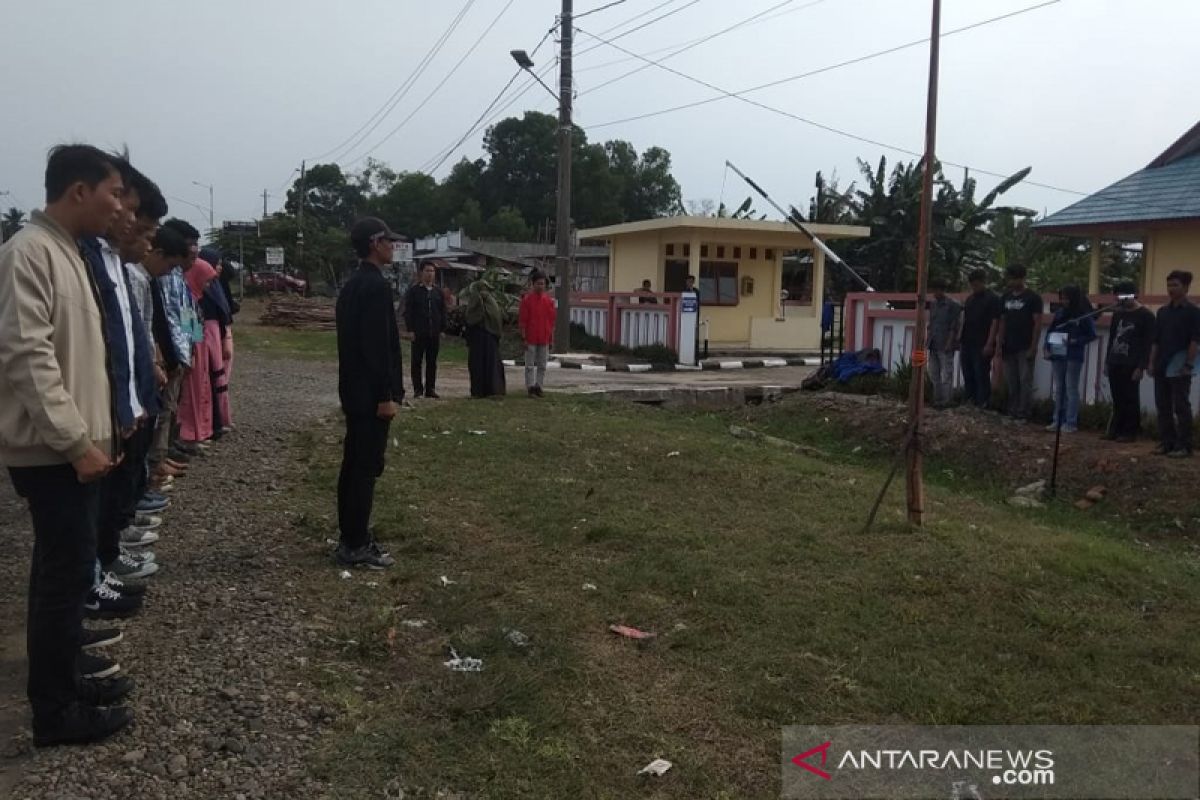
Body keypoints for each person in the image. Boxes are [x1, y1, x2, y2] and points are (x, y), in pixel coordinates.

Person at [0, 144, 133, 746]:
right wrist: (77, 441)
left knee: (66, 570)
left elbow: (84, 356)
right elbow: (28, 358)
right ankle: (55, 713)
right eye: (111, 193)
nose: (117, 207)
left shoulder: (70, 254)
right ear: (79, 191)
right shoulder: (28, 253)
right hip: (55, 453)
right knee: (64, 575)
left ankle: (67, 680)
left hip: (77, 448)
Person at [334, 217, 404, 569]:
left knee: (353, 465)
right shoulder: (374, 287)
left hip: (353, 391)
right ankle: (355, 543)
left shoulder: (351, 286)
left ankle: (350, 534)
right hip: (370, 396)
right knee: (365, 467)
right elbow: (377, 348)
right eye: (389, 241)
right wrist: (385, 395)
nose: (393, 246)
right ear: (375, 243)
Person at [1149, 270, 1200, 458]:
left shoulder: (1193, 312)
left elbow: (1195, 341)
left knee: (1181, 406)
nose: (1171, 289)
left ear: (1186, 288)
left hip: (1179, 367)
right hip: (1162, 364)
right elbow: (1156, 340)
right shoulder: (1162, 312)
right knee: (1163, 406)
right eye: (1169, 285)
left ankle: (1184, 445)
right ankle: (1166, 442)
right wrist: (1151, 362)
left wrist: (1188, 364)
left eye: (1175, 285)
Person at [1104, 283, 1155, 442]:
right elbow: (1112, 338)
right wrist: (1107, 361)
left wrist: (1141, 366)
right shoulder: (1118, 314)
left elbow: (1148, 343)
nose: (1122, 300)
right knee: (1117, 397)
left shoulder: (1146, 315)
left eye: (1125, 296)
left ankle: (1130, 431)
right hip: (1115, 360)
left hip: (1132, 362)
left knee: (1130, 398)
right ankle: (1115, 429)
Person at [1042, 285, 1097, 433]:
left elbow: (1092, 334)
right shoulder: (1060, 313)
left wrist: (1075, 341)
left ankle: (1071, 422)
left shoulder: (1083, 314)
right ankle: (1057, 420)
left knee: (1071, 388)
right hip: (1057, 352)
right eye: (1062, 298)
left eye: (1067, 298)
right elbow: (1051, 330)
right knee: (1059, 388)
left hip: (1073, 354)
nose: (1064, 301)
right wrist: (1046, 347)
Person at [177, 258, 218, 446]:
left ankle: (199, 431)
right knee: (191, 393)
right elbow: (190, 334)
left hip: (197, 351)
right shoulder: (187, 300)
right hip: (192, 353)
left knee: (200, 390)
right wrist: (192, 354)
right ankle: (190, 433)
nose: (208, 285)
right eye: (206, 280)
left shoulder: (194, 298)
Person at [997, 264, 1044, 421]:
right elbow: (1002, 322)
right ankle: (1013, 410)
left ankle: (1024, 412)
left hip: (1025, 346)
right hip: (1008, 345)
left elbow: (1037, 323)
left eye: (1013, 278)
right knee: (1011, 380)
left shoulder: (1033, 298)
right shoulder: (1005, 297)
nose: (1010, 282)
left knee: (1025, 380)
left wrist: (1033, 346)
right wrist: (999, 343)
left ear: (1022, 278)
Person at [198, 247, 233, 437]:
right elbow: (191, 324)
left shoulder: (216, 287)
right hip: (201, 339)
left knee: (214, 379)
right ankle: (199, 429)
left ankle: (212, 424)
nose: (218, 269)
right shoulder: (193, 293)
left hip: (212, 335)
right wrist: (194, 345)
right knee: (203, 382)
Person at [959, 269, 1002, 409]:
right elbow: (964, 320)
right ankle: (969, 400)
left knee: (981, 374)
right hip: (967, 341)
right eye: (972, 285)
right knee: (967, 372)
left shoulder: (993, 299)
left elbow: (995, 322)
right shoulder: (970, 299)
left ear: (984, 282)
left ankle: (982, 403)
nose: (974, 288)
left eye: (976, 285)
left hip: (982, 343)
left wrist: (990, 343)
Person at [462, 273, 508, 399]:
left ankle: (493, 390)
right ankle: (477, 391)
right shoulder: (474, 301)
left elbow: (497, 319)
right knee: (477, 365)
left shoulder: (491, 302)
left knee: (491, 365)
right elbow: (470, 318)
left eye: (485, 290)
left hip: (490, 338)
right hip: (477, 339)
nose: (483, 292)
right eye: (480, 289)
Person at [404, 262, 446, 399]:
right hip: (418, 332)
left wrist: (442, 329)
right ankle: (417, 389)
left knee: (432, 362)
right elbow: (408, 312)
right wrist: (410, 330)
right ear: (421, 272)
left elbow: (442, 311)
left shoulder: (438, 292)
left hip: (433, 332)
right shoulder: (414, 291)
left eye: (432, 271)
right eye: (427, 270)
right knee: (416, 361)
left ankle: (430, 389)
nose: (430, 273)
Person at [519, 270, 557, 398]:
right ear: (533, 284)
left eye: (543, 284)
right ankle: (530, 388)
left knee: (542, 365)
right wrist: (523, 337)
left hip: (544, 338)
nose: (541, 286)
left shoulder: (549, 301)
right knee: (529, 365)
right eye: (538, 283)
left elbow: (551, 322)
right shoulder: (527, 300)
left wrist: (551, 339)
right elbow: (523, 321)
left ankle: (539, 387)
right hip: (530, 338)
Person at [927, 279, 962, 408]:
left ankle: (946, 401)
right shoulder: (933, 305)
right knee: (934, 373)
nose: (934, 293)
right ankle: (937, 400)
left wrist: (949, 342)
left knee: (946, 374)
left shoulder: (953, 305)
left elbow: (954, 326)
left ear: (942, 290)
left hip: (945, 343)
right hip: (933, 343)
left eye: (936, 290)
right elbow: (931, 324)